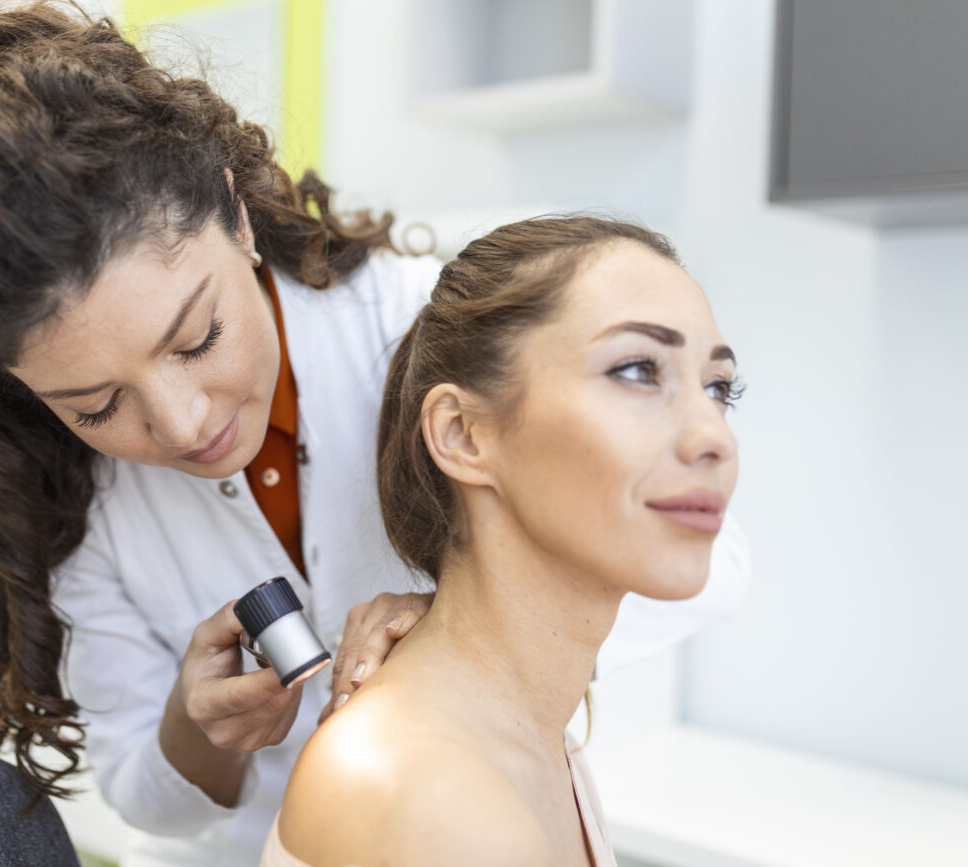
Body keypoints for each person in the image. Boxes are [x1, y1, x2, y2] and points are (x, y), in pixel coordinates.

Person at [0, 4, 750, 865]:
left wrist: (468, 631)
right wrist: (196, 726)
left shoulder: (428, 341)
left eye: (198, 338)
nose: (184, 424)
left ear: (234, 213)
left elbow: (700, 547)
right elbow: (144, 795)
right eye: (98, 406)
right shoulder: (83, 500)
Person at [262, 216, 742, 867]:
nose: (713, 435)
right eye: (635, 370)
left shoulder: (530, 735)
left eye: (718, 388)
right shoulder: (432, 796)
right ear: (462, 433)